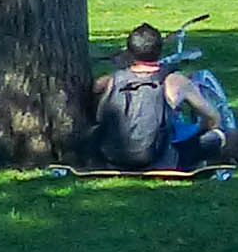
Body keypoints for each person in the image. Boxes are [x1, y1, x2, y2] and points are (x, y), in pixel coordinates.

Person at [89, 24, 228, 171]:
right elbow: (213, 118)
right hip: (161, 161)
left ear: (129, 52)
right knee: (217, 136)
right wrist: (201, 130)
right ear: (160, 51)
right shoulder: (175, 81)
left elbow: (97, 98)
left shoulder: (110, 81)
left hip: (113, 160)